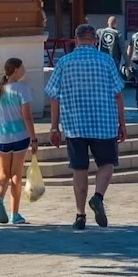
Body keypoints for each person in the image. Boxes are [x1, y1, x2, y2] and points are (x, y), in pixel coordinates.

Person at [45, 23, 126, 229]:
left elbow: (54, 96)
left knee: (79, 168)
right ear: (95, 40)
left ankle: (80, 216)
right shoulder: (106, 61)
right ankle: (98, 196)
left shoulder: (64, 62)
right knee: (107, 164)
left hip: (75, 124)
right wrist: (121, 123)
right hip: (104, 123)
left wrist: (54, 127)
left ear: (76, 39)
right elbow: (118, 94)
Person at [0, 56, 37, 225]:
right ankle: (14, 214)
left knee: (2, 173)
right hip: (19, 136)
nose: (25, 70)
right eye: (23, 68)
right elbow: (27, 116)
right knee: (16, 174)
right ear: (16, 70)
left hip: (2, 136)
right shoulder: (22, 89)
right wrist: (34, 137)